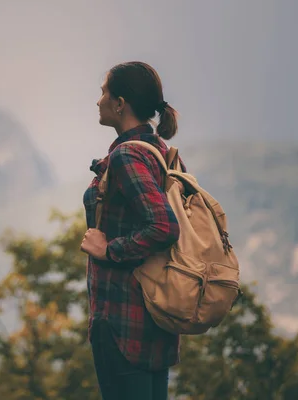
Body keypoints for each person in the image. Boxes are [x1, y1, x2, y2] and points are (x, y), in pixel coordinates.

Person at [80, 61, 186, 400]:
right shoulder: (163, 153)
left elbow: (163, 225)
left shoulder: (127, 156)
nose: (98, 101)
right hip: (156, 316)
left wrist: (108, 249)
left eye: (103, 94)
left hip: (122, 322)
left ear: (120, 103)